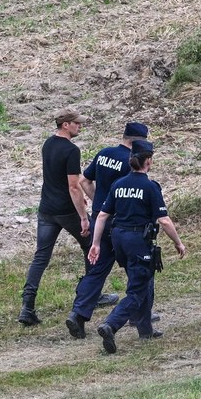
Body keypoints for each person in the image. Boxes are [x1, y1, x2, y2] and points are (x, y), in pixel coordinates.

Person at [89, 139, 187, 353]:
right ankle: (111, 324)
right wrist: (178, 243)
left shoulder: (118, 184)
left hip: (118, 239)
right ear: (148, 161)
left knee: (144, 278)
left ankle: (145, 329)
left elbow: (102, 215)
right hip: (137, 241)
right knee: (137, 290)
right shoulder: (150, 187)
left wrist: (96, 244)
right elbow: (164, 220)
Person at [64, 122, 148, 339]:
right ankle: (139, 315)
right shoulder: (131, 161)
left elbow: (84, 181)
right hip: (122, 225)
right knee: (138, 269)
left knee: (97, 270)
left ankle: (78, 314)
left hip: (99, 220)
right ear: (138, 142)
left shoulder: (104, 154)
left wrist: (101, 205)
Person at [20, 107, 93, 326]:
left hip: (46, 210)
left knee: (41, 257)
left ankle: (27, 307)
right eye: (77, 123)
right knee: (92, 246)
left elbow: (57, 178)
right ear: (65, 125)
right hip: (66, 211)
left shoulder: (48, 144)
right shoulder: (71, 150)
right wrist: (83, 217)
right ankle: (91, 294)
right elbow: (73, 186)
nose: (80, 126)